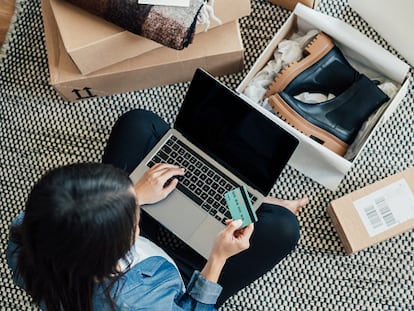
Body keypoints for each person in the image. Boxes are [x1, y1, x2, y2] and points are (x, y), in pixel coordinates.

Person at [6, 109, 308, 310]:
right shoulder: (136, 303)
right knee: (282, 228)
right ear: (111, 252)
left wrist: (133, 195)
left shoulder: (24, 238)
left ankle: (245, 195)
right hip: (177, 274)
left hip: (110, 246)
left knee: (138, 122)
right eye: (132, 215)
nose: (134, 200)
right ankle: (261, 204)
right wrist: (217, 258)